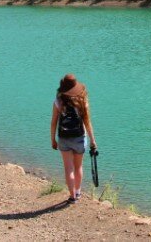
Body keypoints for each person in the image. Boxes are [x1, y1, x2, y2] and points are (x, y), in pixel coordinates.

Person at [50, 74, 97, 204]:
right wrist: (93, 141)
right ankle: (78, 192)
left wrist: (53, 139)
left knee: (68, 168)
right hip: (79, 138)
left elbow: (53, 122)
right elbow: (87, 123)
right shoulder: (82, 102)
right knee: (78, 167)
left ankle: (72, 197)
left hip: (64, 139)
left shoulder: (58, 102)